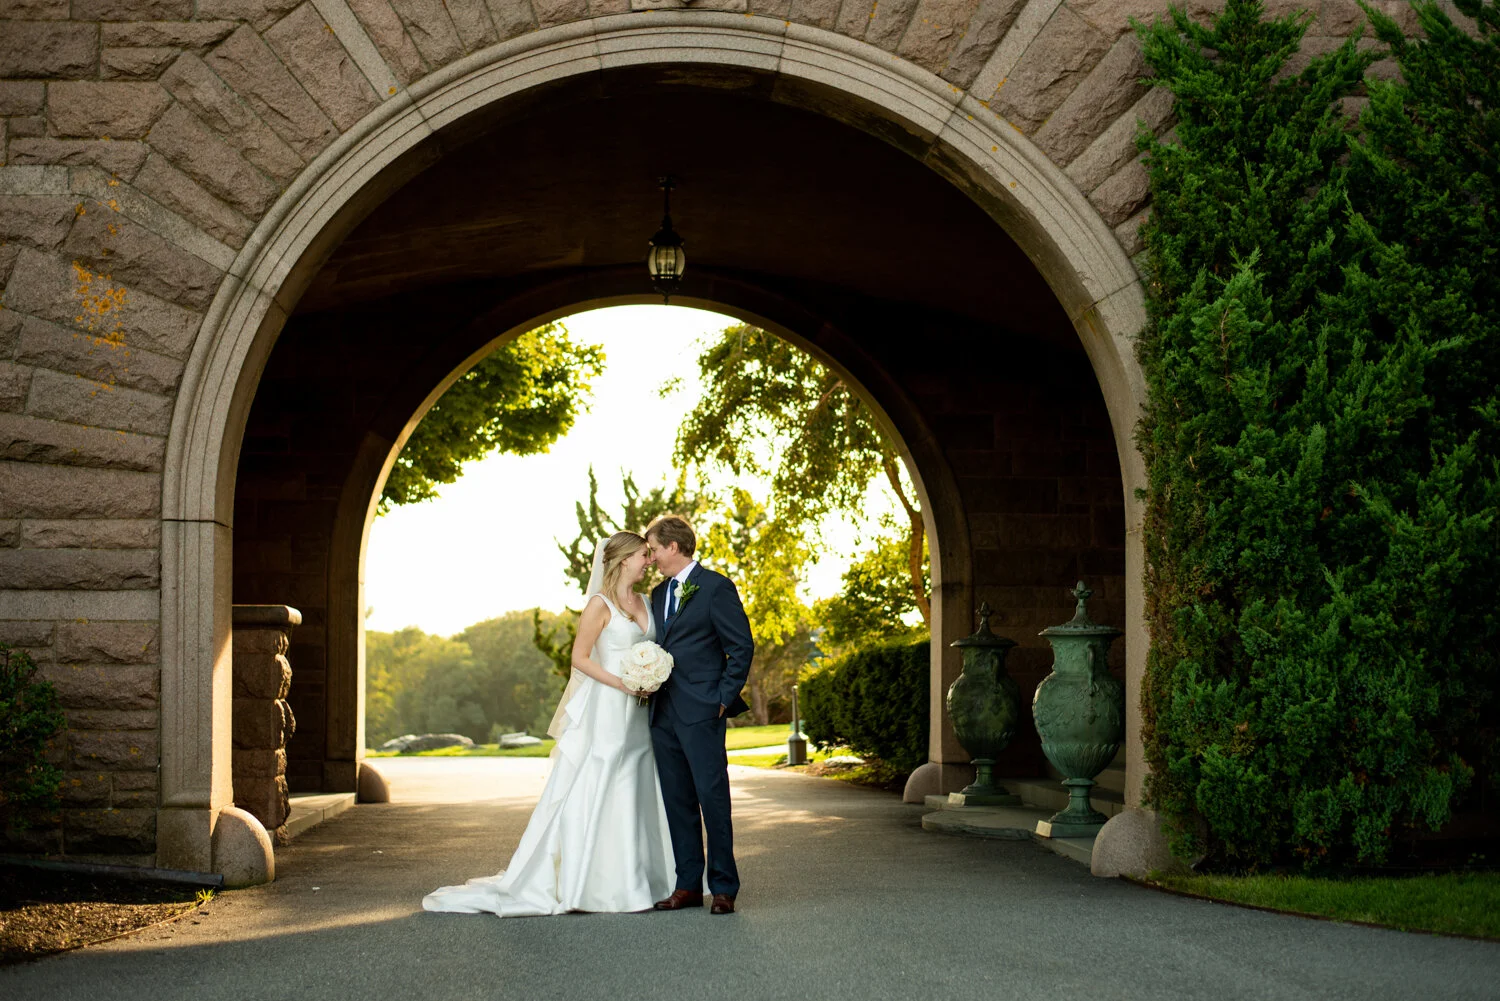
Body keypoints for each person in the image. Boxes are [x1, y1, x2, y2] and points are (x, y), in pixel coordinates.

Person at [421, 531, 673, 916]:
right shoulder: (599, 605)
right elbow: (581, 658)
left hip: (641, 709)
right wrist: (624, 682)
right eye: (643, 554)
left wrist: (650, 675)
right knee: (606, 775)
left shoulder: (645, 601)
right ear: (624, 559)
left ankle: (649, 877)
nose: (649, 560)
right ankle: (598, 880)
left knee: (638, 778)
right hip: (609, 705)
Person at [644, 514, 754, 916]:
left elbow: (740, 646)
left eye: (654, 549)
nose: (651, 557)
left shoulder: (715, 587)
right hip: (662, 713)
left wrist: (722, 699)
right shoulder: (657, 595)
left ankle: (723, 886)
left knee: (712, 799)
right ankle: (687, 885)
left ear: (673, 546)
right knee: (677, 802)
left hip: (703, 711)